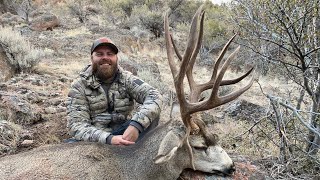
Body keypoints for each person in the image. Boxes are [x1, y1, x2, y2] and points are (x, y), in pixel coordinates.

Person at [66, 37, 162, 145]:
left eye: (110, 54)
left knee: (151, 118)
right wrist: (109, 139)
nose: (105, 57)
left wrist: (136, 125)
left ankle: (138, 154)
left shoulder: (127, 79)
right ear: (92, 58)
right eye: (99, 54)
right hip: (96, 141)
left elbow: (154, 95)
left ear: (116, 58)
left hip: (124, 134)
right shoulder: (79, 86)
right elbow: (76, 126)